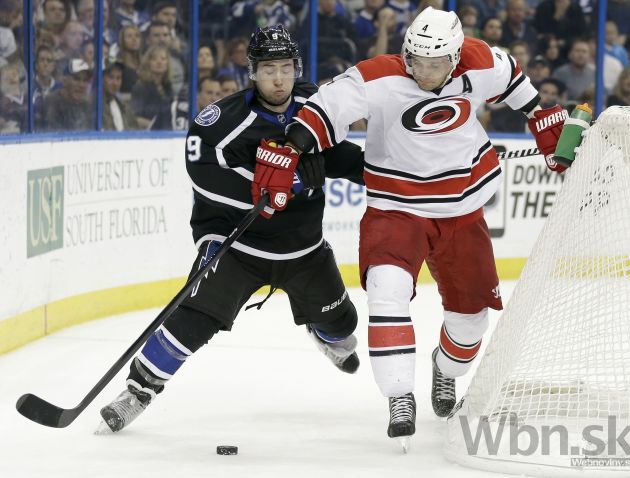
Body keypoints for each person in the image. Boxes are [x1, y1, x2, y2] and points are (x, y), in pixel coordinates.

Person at [253, 7, 567, 446]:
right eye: (417, 61)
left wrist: (539, 116)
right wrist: (290, 149)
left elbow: (514, 79)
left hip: (461, 208)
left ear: (455, 58)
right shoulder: (379, 76)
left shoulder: (478, 61)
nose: (424, 71)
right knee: (386, 290)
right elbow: (326, 109)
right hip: (395, 208)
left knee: (471, 322)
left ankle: (446, 368)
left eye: (436, 63)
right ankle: (399, 395)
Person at [98, 25, 365, 434]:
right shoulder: (221, 121)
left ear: (297, 69)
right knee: (194, 318)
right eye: (269, 69)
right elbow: (203, 175)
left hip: (303, 249)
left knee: (344, 329)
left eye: (286, 68)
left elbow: (342, 157)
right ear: (252, 72)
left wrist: (383, 174)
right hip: (237, 244)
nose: (279, 78)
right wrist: (283, 185)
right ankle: (138, 390)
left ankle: (320, 326)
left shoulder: (318, 106)